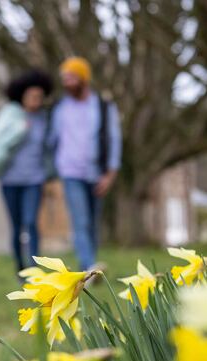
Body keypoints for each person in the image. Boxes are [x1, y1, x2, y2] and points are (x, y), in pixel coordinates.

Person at [49, 56, 122, 271]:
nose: (67, 82)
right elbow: (52, 139)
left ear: (83, 79)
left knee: (92, 223)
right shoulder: (60, 109)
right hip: (70, 171)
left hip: (96, 172)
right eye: (64, 78)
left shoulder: (103, 106)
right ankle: (90, 265)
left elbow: (113, 138)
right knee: (80, 220)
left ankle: (88, 263)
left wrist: (111, 173)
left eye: (71, 77)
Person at [0, 70, 54, 273]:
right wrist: (20, 130)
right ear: (22, 96)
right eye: (32, 97)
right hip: (10, 180)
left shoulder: (43, 118)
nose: (36, 101)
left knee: (31, 222)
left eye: (40, 97)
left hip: (35, 179)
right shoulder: (9, 115)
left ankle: (34, 269)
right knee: (17, 227)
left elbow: (49, 146)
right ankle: (20, 267)